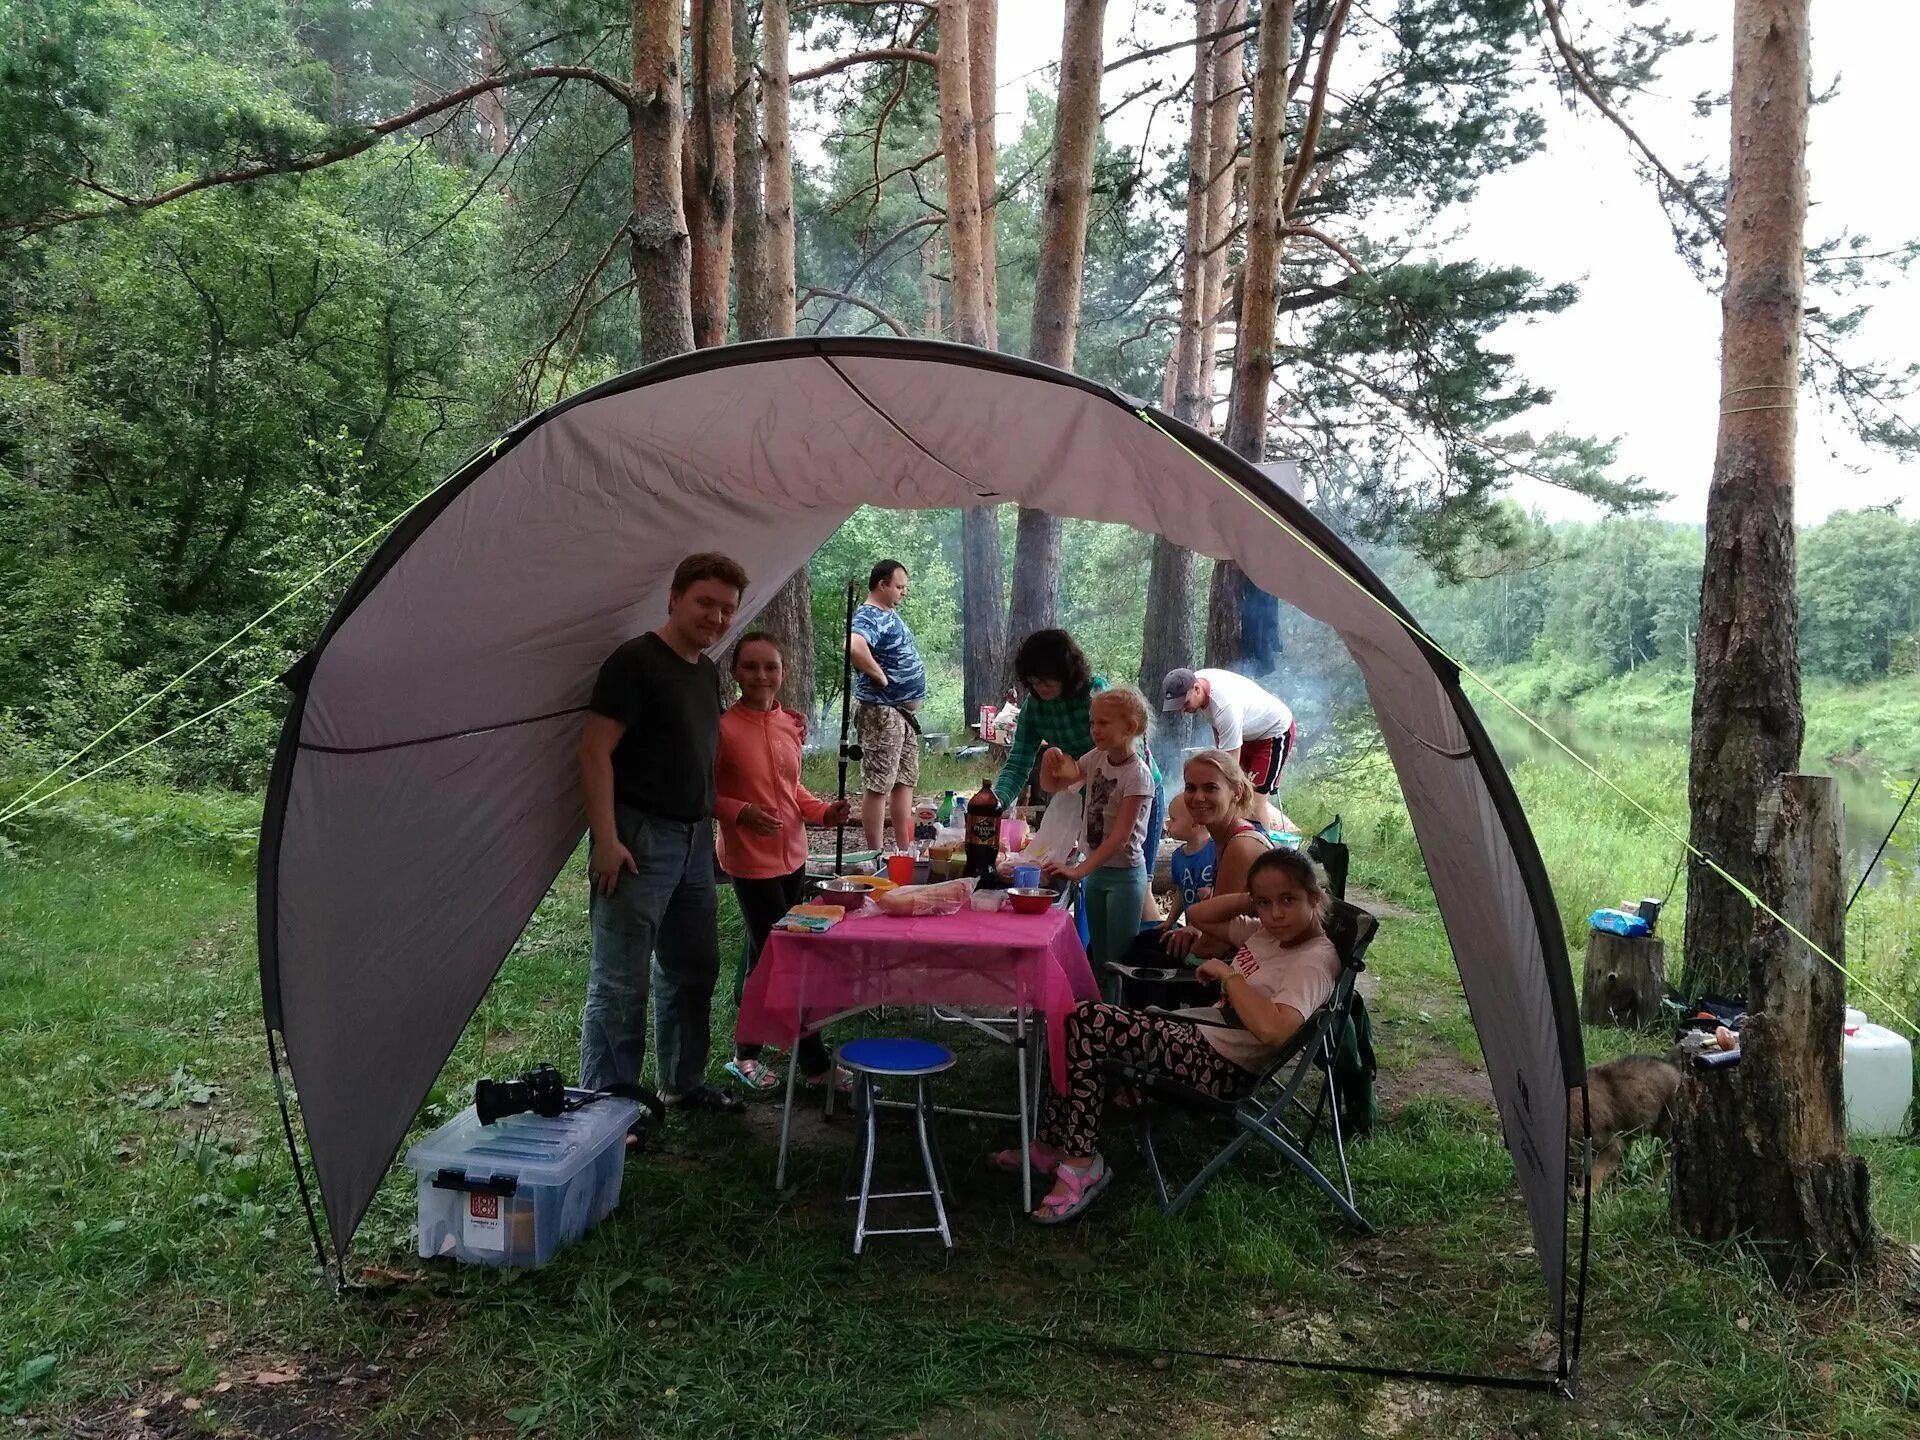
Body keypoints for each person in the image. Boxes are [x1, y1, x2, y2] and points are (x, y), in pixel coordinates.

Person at [1011, 847, 1341, 1223]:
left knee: (1087, 1023)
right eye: (1265, 903)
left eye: (1288, 899)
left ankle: (1080, 1161)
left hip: (1220, 1069)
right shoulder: (1270, 934)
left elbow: (1274, 1030)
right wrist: (1254, 896)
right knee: (1077, 1020)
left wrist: (1228, 976)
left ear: (1315, 898)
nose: (1276, 913)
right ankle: (1055, 1143)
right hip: (1200, 1038)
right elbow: (1198, 914)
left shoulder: (1313, 961)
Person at [578, 552, 748, 1129]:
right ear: (674, 598)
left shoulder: (705, 670)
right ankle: (608, 1108)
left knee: (692, 965)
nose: (717, 617)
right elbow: (594, 750)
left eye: (727, 609)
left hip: (695, 839)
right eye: (706, 603)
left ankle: (681, 1082)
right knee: (621, 976)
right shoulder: (636, 662)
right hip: (638, 835)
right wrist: (605, 836)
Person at [714, 632, 852, 1093]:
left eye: (770, 667)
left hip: (793, 856)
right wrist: (740, 812)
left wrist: (823, 812)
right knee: (785, 957)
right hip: (749, 861)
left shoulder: (789, 725)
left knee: (764, 958)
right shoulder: (722, 728)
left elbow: (793, 791)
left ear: (783, 673)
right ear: (735, 673)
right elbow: (703, 792)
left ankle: (743, 1054)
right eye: (750, 667)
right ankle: (815, 1065)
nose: (761, 676)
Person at [993, 629, 1166, 898]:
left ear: (1067, 671)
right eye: (1034, 682)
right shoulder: (1034, 707)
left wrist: (1079, 777)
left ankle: (1147, 938)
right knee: (1101, 881)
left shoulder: (1095, 695)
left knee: (1139, 885)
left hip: (1135, 795)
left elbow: (1132, 753)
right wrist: (996, 803)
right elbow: (1018, 762)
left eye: (1047, 680)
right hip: (1093, 799)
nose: (1040, 688)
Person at [1037, 686, 1156, 969]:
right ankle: (1100, 1010)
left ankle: (1118, 1011)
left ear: (1130, 727)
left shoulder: (1138, 775)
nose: (1094, 730)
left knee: (1117, 960)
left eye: (1103, 723)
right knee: (1099, 956)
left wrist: (1079, 870)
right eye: (1092, 722)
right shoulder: (1095, 758)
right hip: (1097, 872)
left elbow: (1120, 837)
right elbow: (1055, 784)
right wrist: (1049, 761)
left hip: (1124, 877)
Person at [1147, 748, 1272, 962]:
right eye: (1190, 787)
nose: (1198, 797)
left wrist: (1187, 960)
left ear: (1237, 792)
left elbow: (1218, 940)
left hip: (1257, 962)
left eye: (1210, 788)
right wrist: (1193, 930)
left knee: (1144, 954)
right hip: (1244, 947)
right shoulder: (1223, 838)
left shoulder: (1241, 846)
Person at [848, 559, 927, 853]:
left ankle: (905, 850)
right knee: (879, 783)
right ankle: (876, 852)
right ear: (882, 584)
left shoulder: (887, 614)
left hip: (902, 714)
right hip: (882, 711)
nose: (903, 593)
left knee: (905, 780)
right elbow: (855, 645)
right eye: (899, 586)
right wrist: (878, 674)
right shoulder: (870, 615)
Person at [1162, 666, 1297, 829]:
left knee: (1252, 802)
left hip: (1273, 732)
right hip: (1245, 732)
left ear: (1196, 689)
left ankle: (1260, 850)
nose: (1183, 710)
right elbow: (1219, 734)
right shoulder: (1195, 682)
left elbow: (1228, 769)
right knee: (1234, 798)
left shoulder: (1225, 707)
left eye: (1185, 703)